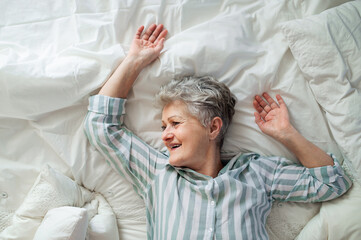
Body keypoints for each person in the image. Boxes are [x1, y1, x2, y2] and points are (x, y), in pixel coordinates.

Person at [84, 24, 352, 239]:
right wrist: (134, 61)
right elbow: (100, 126)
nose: (165, 135)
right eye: (164, 127)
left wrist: (286, 134)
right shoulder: (158, 173)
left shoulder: (256, 174)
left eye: (176, 124)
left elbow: (331, 183)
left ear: (213, 127)